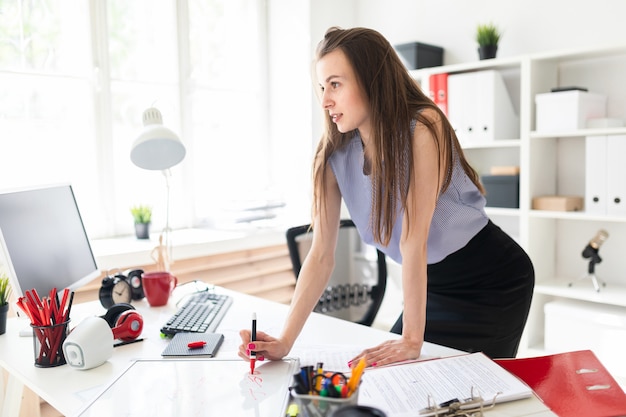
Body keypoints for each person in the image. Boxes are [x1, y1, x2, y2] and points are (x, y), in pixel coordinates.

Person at [238, 26, 534, 368]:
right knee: (389, 379)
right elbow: (320, 256)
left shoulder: (424, 126)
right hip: (433, 288)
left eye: (335, 84)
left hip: (493, 283)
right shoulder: (331, 156)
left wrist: (411, 340)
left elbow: (413, 239)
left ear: (370, 79)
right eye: (321, 87)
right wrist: (285, 340)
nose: (325, 100)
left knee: (471, 393)